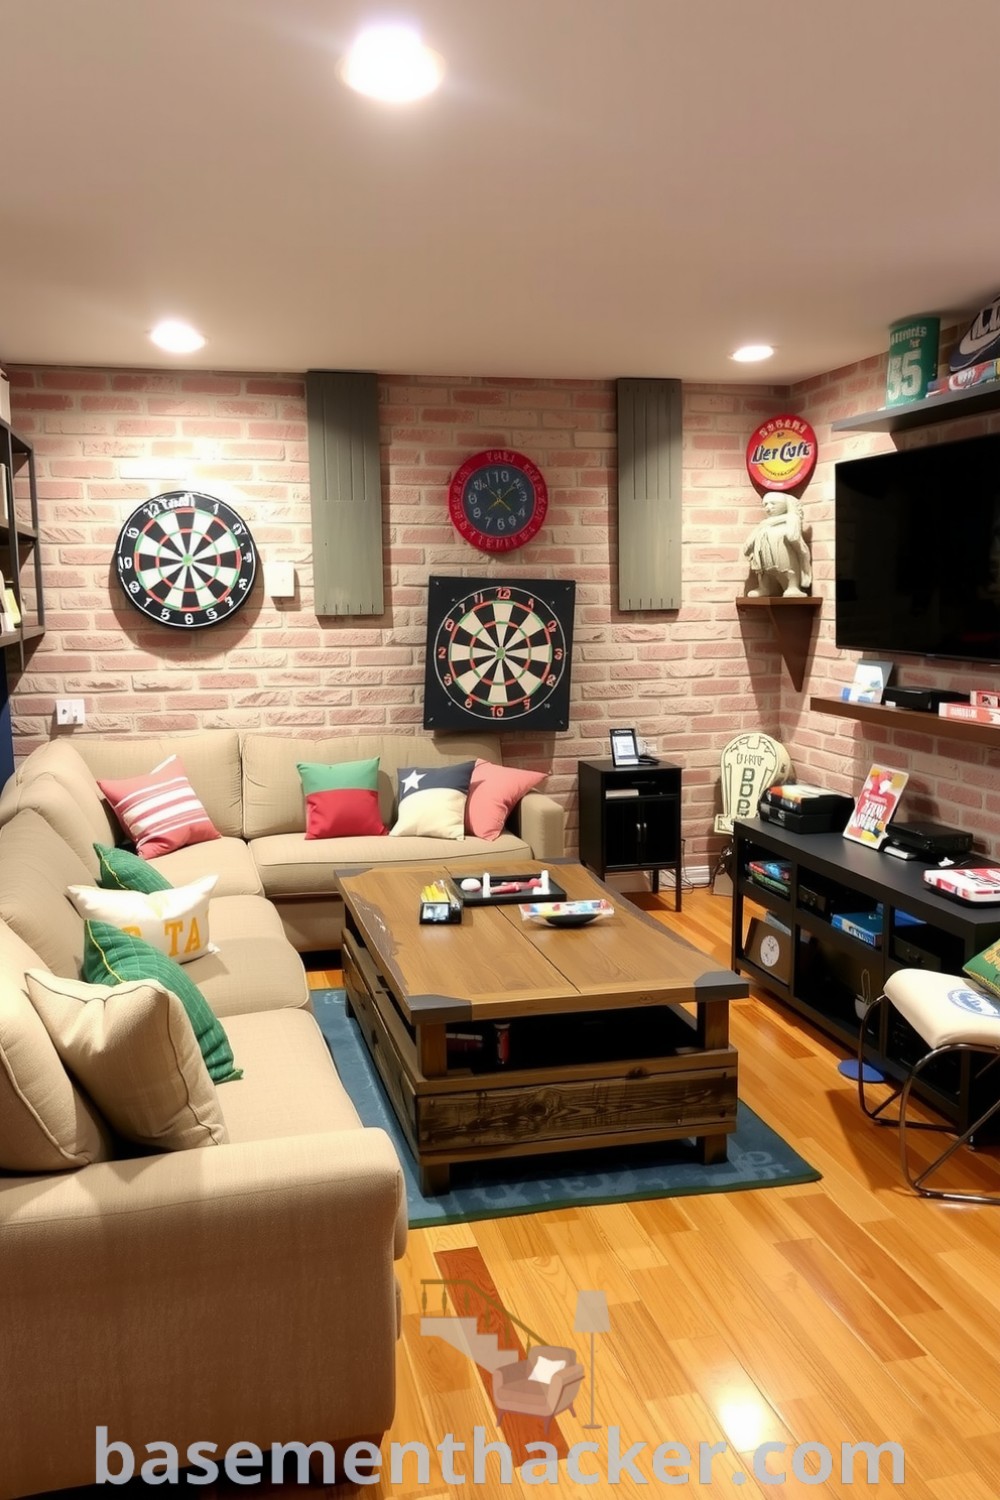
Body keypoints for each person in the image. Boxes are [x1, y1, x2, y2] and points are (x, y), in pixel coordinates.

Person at [744, 493, 812, 597]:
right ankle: (764, 588)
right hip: (764, 557)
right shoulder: (764, 523)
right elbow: (750, 541)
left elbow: (793, 537)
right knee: (762, 571)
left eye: (773, 504)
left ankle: (793, 586)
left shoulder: (791, 518)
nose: (768, 507)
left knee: (788, 566)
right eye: (765, 504)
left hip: (784, 553)